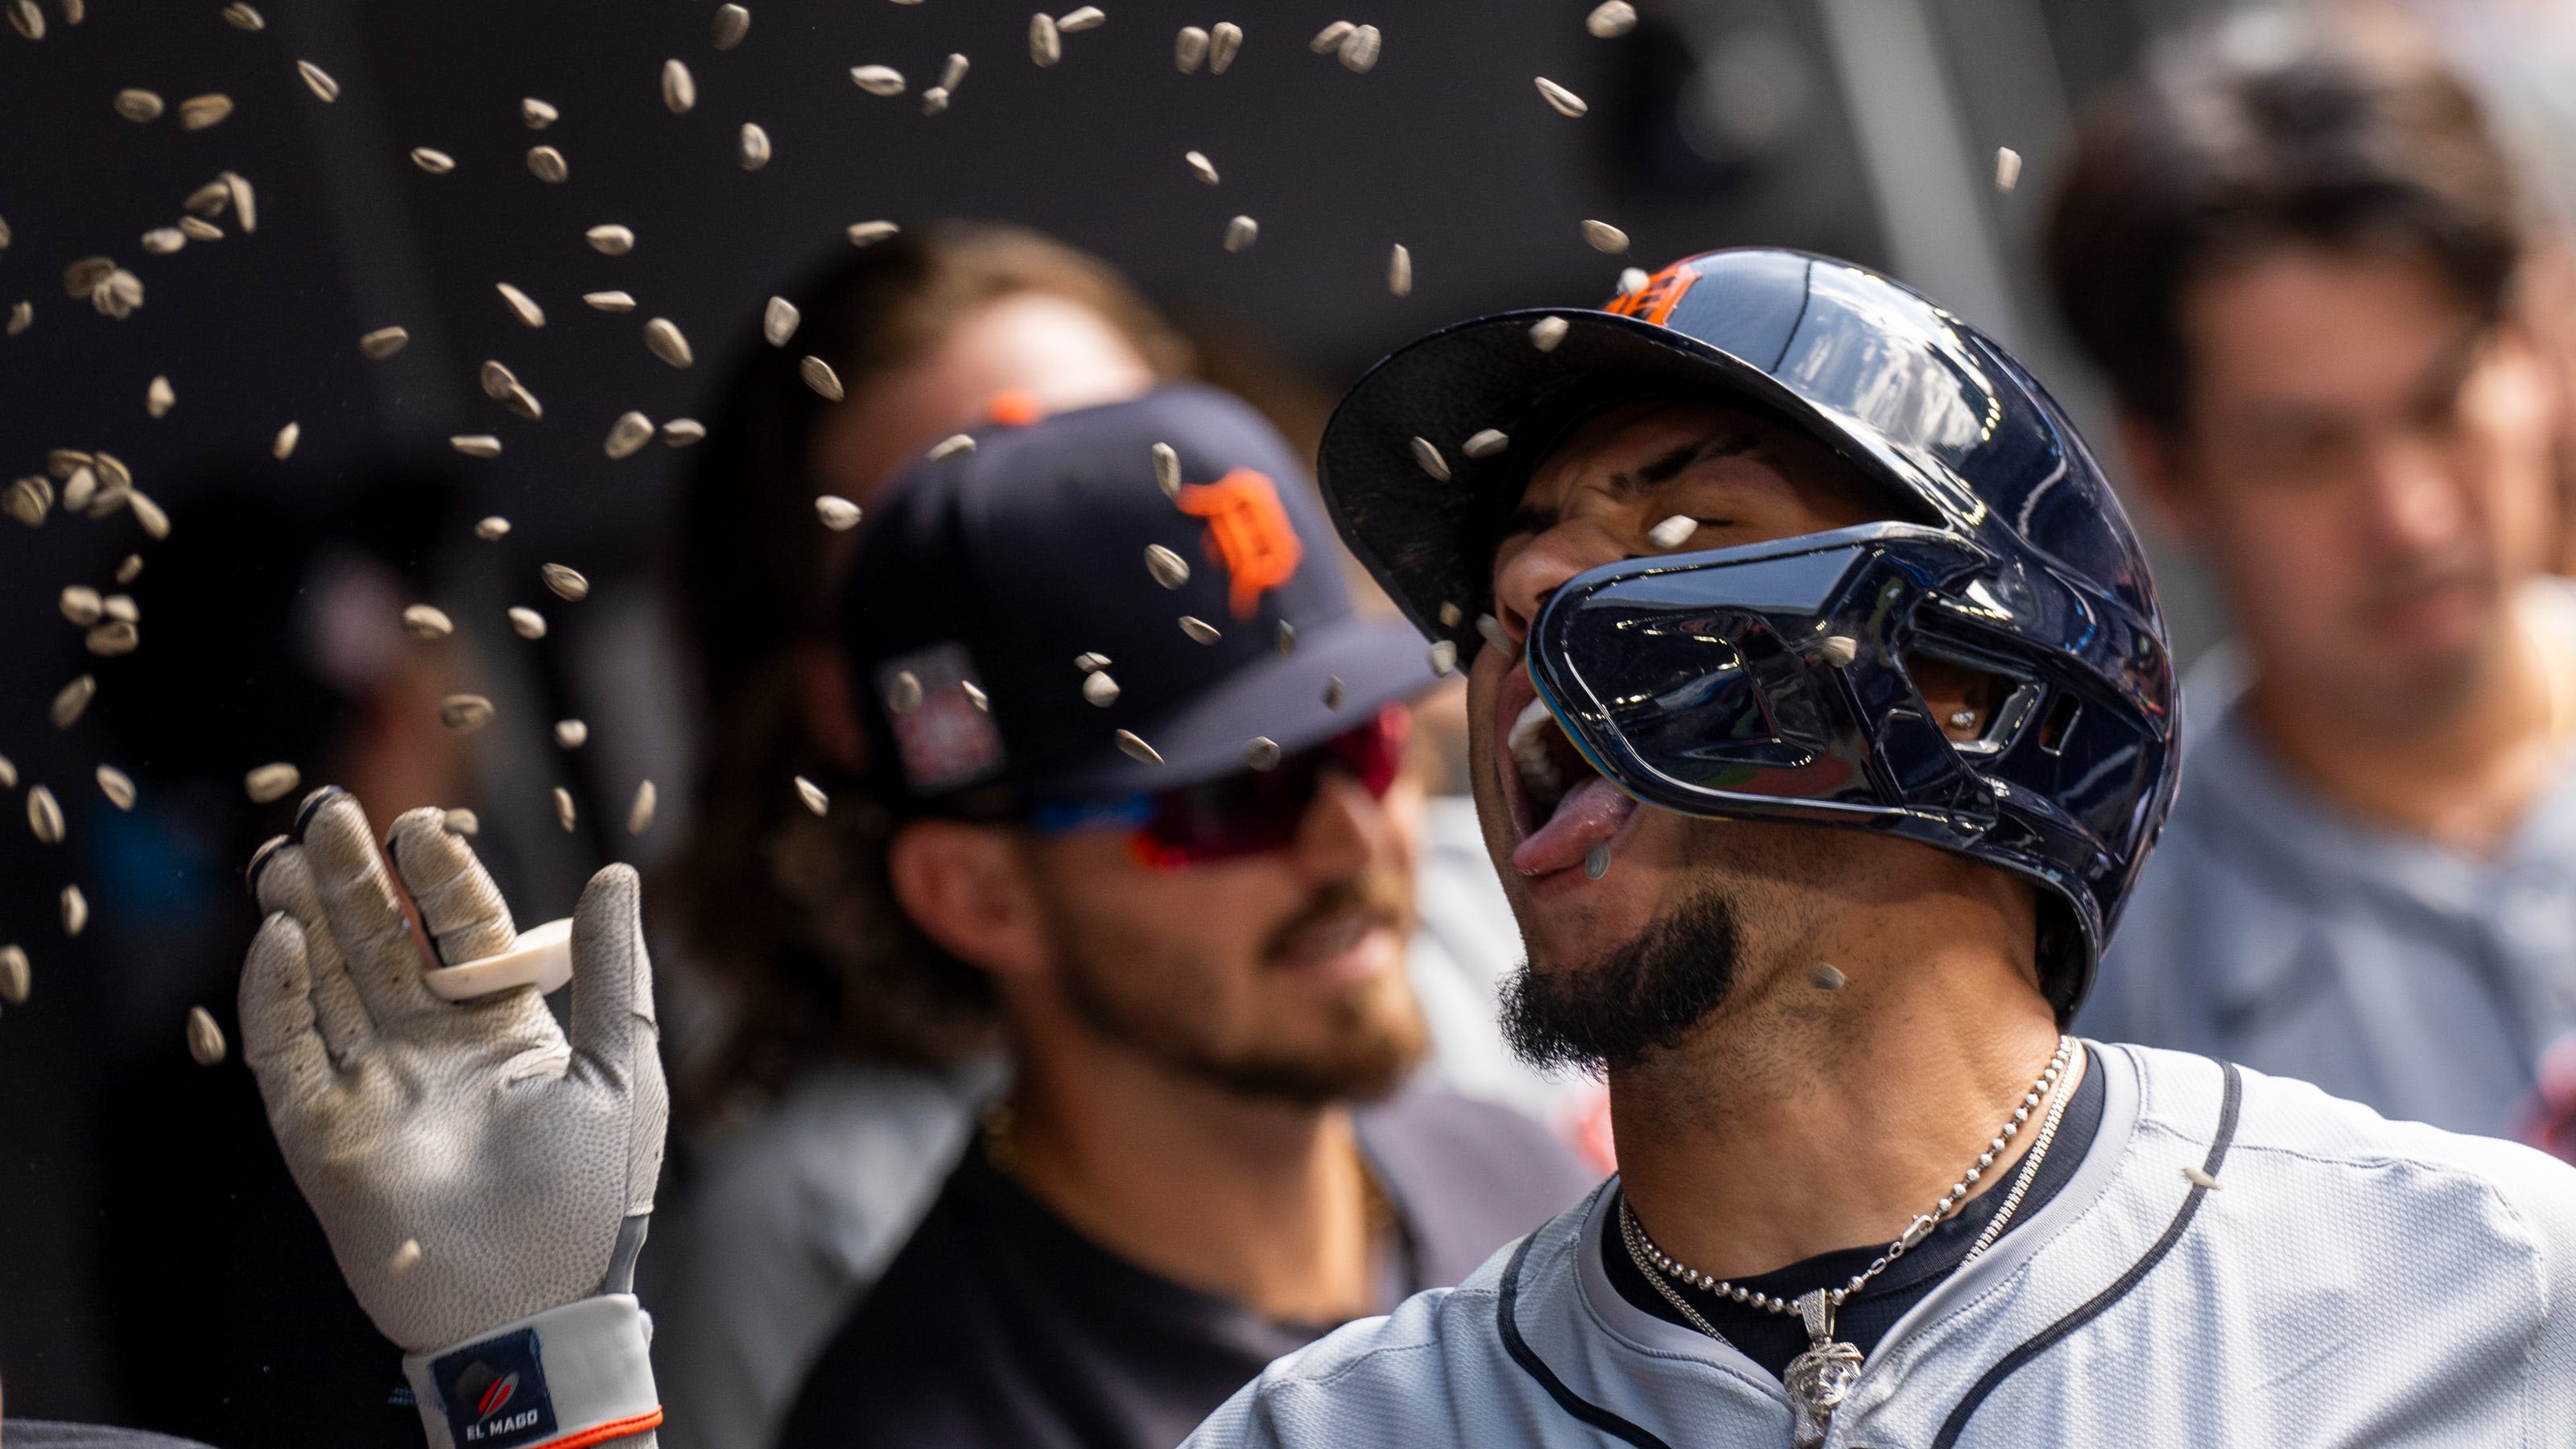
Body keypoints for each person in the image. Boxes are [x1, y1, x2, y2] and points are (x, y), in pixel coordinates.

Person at [1174, 248, 2576, 1445]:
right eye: (1507, 575)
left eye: (1683, 524)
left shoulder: (2483, 1293)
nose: (1528, 591)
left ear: (1970, 688)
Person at [654, 224, 1595, 1449]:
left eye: (1359, 743)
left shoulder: (1518, 1175)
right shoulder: (896, 1373)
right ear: (976, 892)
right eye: (1224, 798)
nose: (1351, 838)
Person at [2045, 23, 2576, 1137]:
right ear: (2165, 470)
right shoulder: (2095, 992)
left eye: (2441, 405)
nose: (2410, 516)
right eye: (2304, 451)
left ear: (2532, 353)